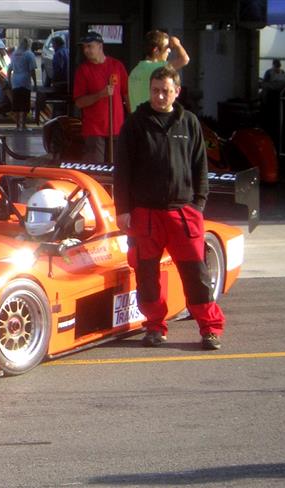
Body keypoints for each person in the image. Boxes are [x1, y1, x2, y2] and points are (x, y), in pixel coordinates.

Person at [114, 66, 225, 351]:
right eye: (155, 90)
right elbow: (122, 170)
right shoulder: (135, 123)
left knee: (196, 275)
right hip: (145, 215)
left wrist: (198, 204)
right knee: (147, 276)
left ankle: (210, 328)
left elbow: (201, 166)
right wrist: (123, 209)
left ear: (177, 91)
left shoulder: (189, 123)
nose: (160, 96)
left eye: (166, 90)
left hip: (183, 213)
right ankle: (154, 326)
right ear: (150, 91)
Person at [73, 31, 129, 163]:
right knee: (96, 168)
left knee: (117, 168)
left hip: (116, 127)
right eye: (84, 47)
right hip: (94, 130)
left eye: (89, 46)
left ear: (100, 46)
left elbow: (127, 94)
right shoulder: (83, 70)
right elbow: (79, 102)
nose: (86, 50)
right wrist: (100, 95)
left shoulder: (117, 66)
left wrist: (133, 118)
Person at [128, 30, 190, 112]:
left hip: (137, 120)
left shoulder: (135, 71)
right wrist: (177, 44)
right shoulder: (157, 68)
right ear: (156, 50)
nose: (169, 51)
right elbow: (184, 59)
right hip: (151, 120)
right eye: (167, 47)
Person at [7, 37, 37, 131]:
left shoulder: (15, 54)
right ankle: (23, 125)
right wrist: (35, 82)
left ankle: (17, 125)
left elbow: (9, 69)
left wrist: (9, 80)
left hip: (15, 80)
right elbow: (32, 70)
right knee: (24, 103)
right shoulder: (29, 54)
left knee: (16, 103)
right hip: (25, 81)